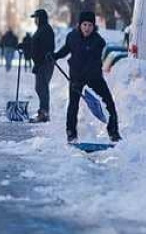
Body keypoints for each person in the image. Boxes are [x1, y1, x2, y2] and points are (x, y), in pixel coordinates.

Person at [53, 11, 120, 144]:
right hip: (76, 77)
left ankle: (114, 133)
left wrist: (86, 78)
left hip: (93, 77)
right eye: (84, 24)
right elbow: (66, 49)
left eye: (90, 25)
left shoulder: (98, 41)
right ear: (80, 25)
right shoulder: (72, 37)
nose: (87, 28)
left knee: (109, 102)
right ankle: (71, 133)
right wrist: (55, 56)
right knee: (73, 105)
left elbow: (93, 63)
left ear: (93, 26)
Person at [28, 9, 55, 123]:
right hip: (41, 63)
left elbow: (47, 46)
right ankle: (43, 112)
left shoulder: (46, 30)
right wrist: (25, 45)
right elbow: (36, 44)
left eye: (36, 18)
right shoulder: (41, 29)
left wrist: (44, 56)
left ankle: (44, 113)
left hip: (45, 63)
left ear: (41, 18)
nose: (35, 20)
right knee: (40, 87)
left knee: (42, 87)